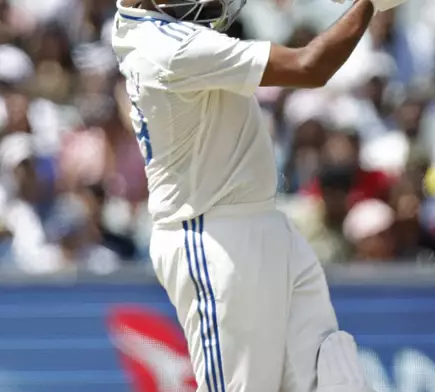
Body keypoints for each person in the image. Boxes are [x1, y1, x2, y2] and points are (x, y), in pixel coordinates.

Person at [111, 0, 408, 391]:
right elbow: (309, 66)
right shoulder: (170, 48)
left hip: (263, 222)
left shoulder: (152, 23)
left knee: (335, 375)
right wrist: (368, 4)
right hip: (212, 236)